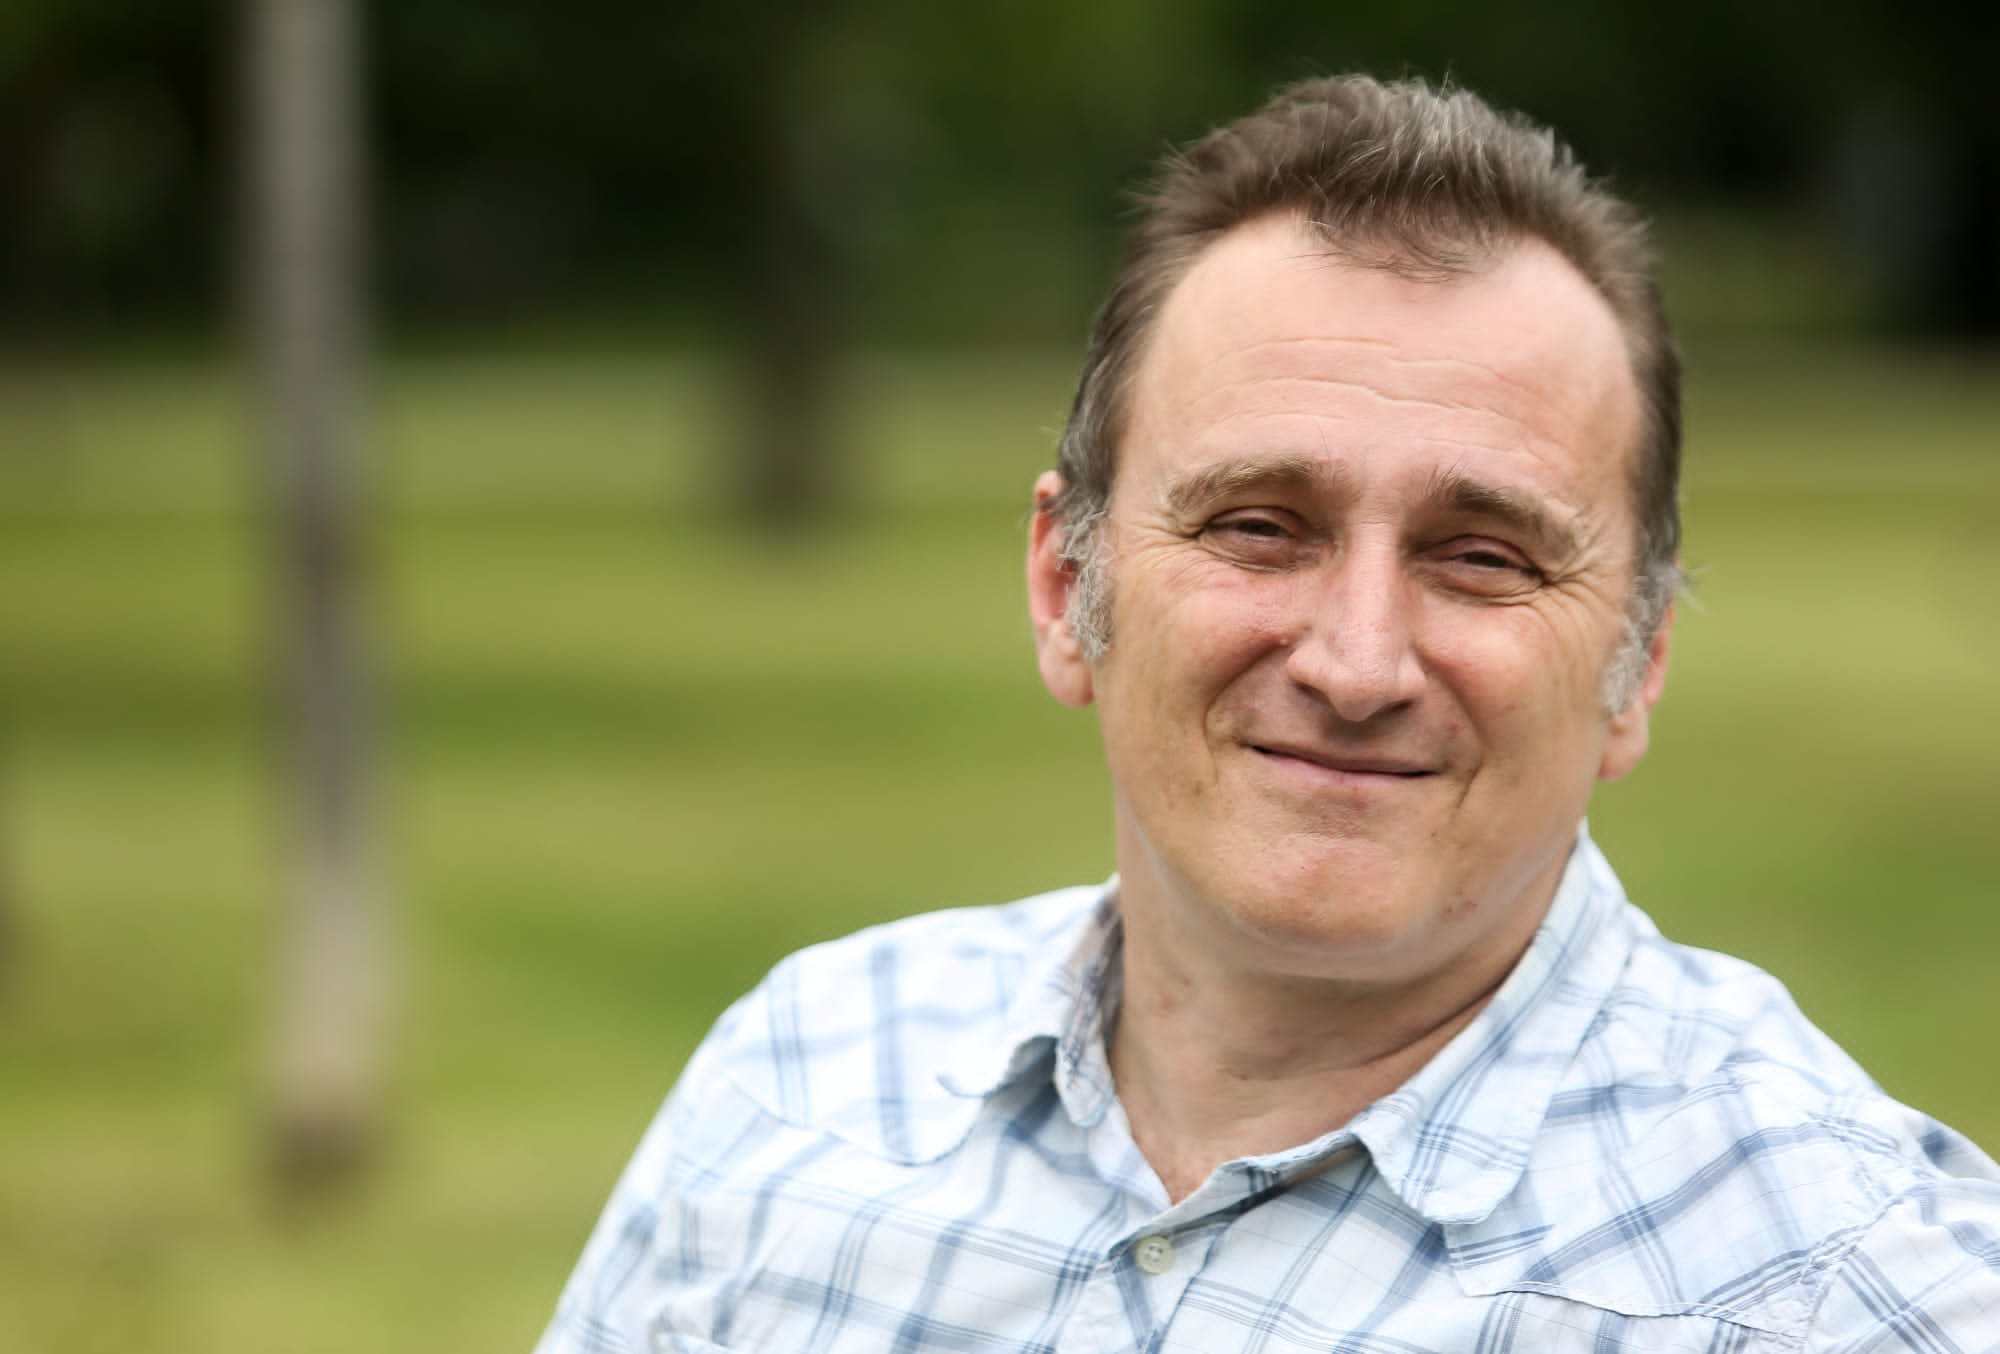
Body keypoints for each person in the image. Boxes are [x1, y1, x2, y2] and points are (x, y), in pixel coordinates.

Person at [535, 75, 2000, 1352]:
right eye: (1257, 526)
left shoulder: (1848, 1290)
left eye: (1482, 557)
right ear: (1066, 586)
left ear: (1639, 662)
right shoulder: (797, 1085)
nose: (1358, 665)